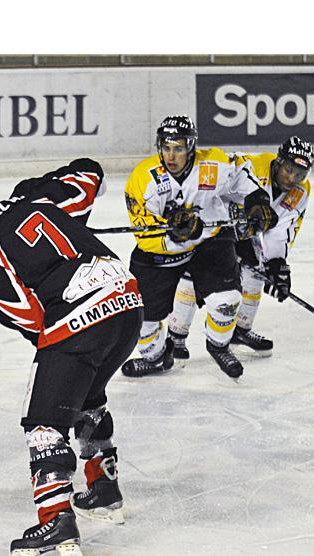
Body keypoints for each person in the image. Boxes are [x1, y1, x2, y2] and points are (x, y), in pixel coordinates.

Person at [0, 159, 142, 556]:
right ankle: (103, 491)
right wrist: (49, 200)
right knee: (86, 395)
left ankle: (57, 526)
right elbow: (89, 175)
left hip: (81, 315)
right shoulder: (33, 198)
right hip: (129, 303)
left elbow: (32, 320)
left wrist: (59, 361)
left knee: (44, 422)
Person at [120, 115, 276, 379]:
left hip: (209, 241)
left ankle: (218, 345)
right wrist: (175, 235)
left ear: (190, 147)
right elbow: (145, 236)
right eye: (166, 147)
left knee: (227, 300)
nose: (171, 156)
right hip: (162, 252)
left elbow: (242, 173)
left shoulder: (212, 164)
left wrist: (257, 200)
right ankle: (157, 358)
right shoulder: (143, 179)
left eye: (178, 148)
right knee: (140, 319)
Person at [167, 136, 314, 356]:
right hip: (211, 228)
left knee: (256, 270)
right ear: (278, 161)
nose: (292, 178)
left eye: (300, 175)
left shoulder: (300, 191)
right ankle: (176, 337)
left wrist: (276, 263)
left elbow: (281, 229)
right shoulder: (249, 166)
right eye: (288, 170)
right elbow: (208, 184)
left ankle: (240, 330)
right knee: (191, 276)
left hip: (244, 235)